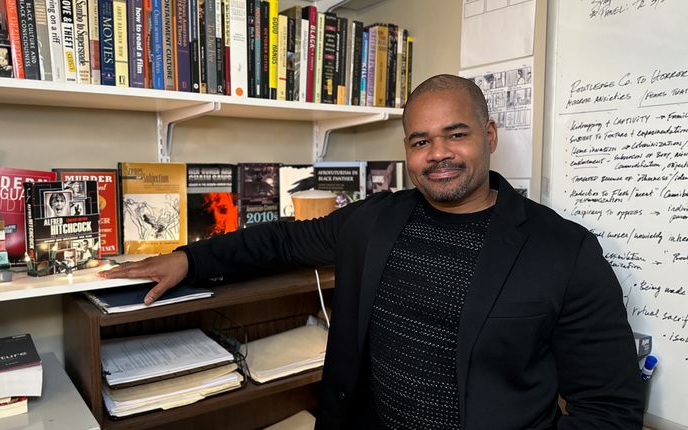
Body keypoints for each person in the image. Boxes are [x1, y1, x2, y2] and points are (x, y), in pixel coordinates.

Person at [101, 74, 644, 429]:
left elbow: (609, 408)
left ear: (490, 135)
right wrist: (190, 259)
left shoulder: (564, 250)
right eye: (420, 141)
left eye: (456, 135)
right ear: (406, 148)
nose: (439, 155)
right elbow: (281, 239)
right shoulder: (374, 219)